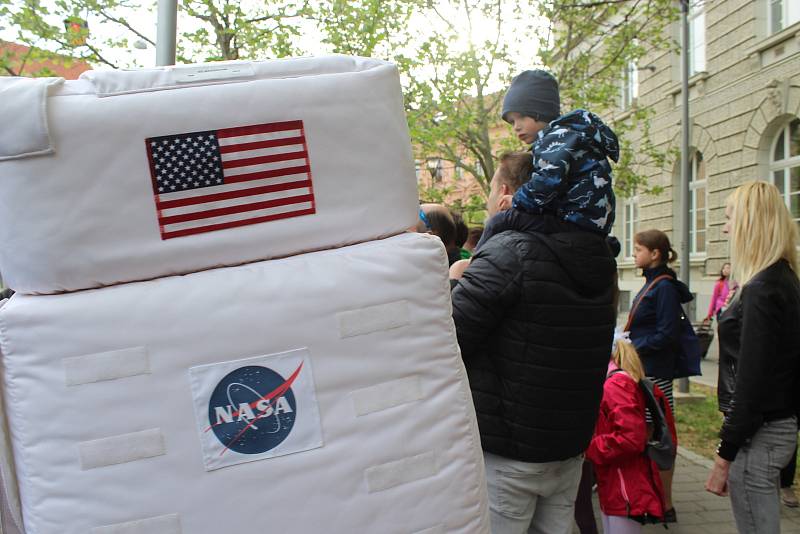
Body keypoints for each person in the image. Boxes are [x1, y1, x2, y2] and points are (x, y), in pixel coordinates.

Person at [450, 151, 617, 534]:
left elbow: (450, 340)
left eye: (491, 189)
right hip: (567, 450)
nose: (489, 201)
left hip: (508, 455)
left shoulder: (509, 251)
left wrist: (456, 282)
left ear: (506, 192)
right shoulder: (596, 256)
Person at [705, 181, 800, 534]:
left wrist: (724, 452)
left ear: (749, 223)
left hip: (759, 432)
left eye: (730, 218)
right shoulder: (780, 278)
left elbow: (752, 377)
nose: (725, 227)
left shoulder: (762, 288)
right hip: (770, 426)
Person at [475, 69, 619, 252]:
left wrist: (516, 200)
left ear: (539, 112)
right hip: (593, 224)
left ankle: (475, 260)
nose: (516, 127)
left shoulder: (555, 140)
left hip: (573, 223)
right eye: (512, 122)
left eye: (521, 117)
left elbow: (546, 183)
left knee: (502, 220)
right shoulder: (575, 136)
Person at [627, 229, 691, 522]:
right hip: (647, 370)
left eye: (639, 249)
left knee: (658, 435)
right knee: (650, 433)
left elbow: (667, 333)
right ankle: (656, 499)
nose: (634, 254)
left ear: (655, 254)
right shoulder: (653, 283)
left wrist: (632, 346)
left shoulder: (663, 287)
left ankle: (665, 504)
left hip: (656, 373)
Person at [587, 335, 672, 533]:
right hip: (617, 482)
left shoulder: (615, 384)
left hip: (623, 486)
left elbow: (630, 438)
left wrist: (589, 447)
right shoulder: (618, 380)